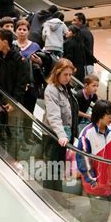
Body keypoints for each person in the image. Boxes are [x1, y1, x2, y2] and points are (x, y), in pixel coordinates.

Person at [76, 100, 111, 222]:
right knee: (100, 212)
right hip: (95, 182)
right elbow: (83, 158)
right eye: (109, 116)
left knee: (104, 214)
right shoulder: (87, 133)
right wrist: (92, 179)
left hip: (109, 182)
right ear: (100, 115)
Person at [43, 59, 79, 192]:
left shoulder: (66, 89)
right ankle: (50, 197)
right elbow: (54, 116)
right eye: (65, 74)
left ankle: (56, 197)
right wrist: (62, 135)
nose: (68, 78)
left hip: (64, 135)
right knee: (52, 169)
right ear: (57, 73)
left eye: (70, 75)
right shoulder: (51, 90)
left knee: (59, 168)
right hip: (54, 135)